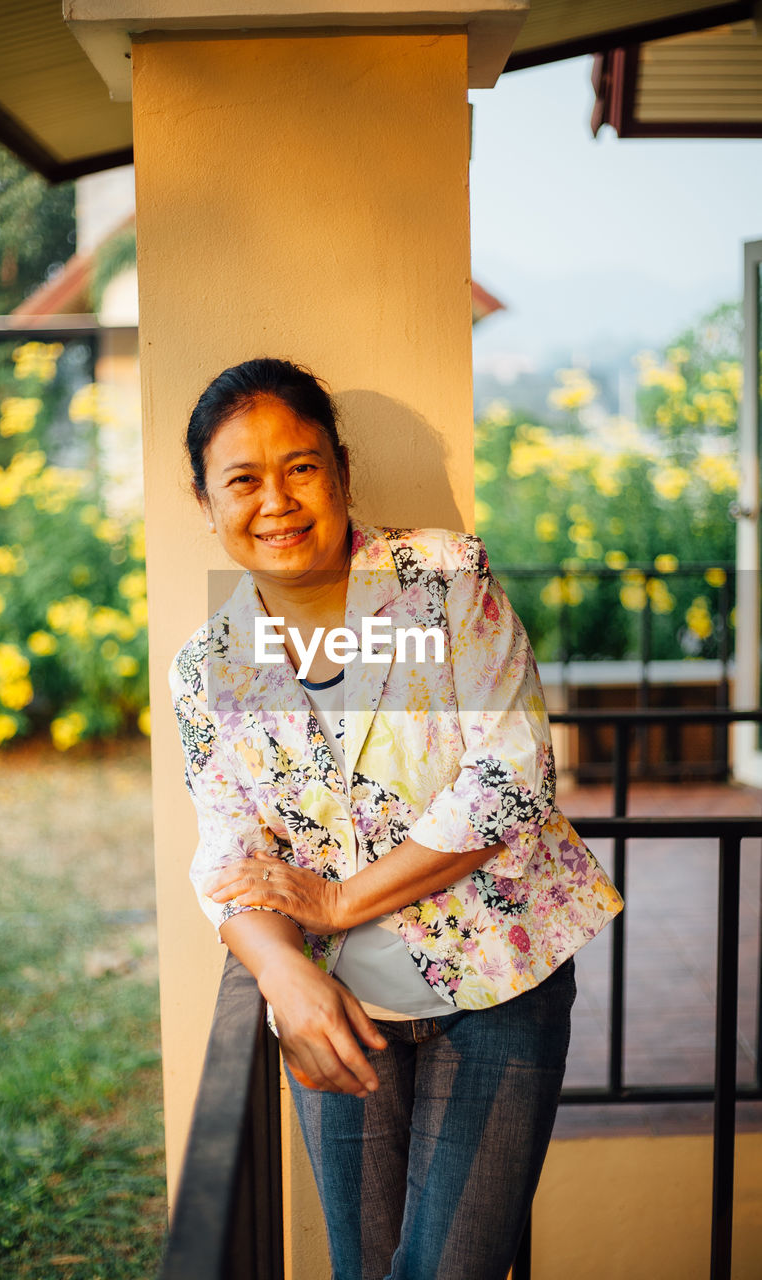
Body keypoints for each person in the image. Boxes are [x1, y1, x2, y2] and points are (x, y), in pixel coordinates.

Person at [170, 357, 623, 1280]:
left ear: (339, 469)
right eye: (243, 480)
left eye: (299, 467)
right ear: (205, 501)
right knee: (361, 1270)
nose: (277, 502)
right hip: (345, 1004)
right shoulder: (208, 666)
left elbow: (509, 778)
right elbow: (228, 849)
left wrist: (334, 905)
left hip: (497, 986)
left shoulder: (441, 580)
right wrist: (281, 975)